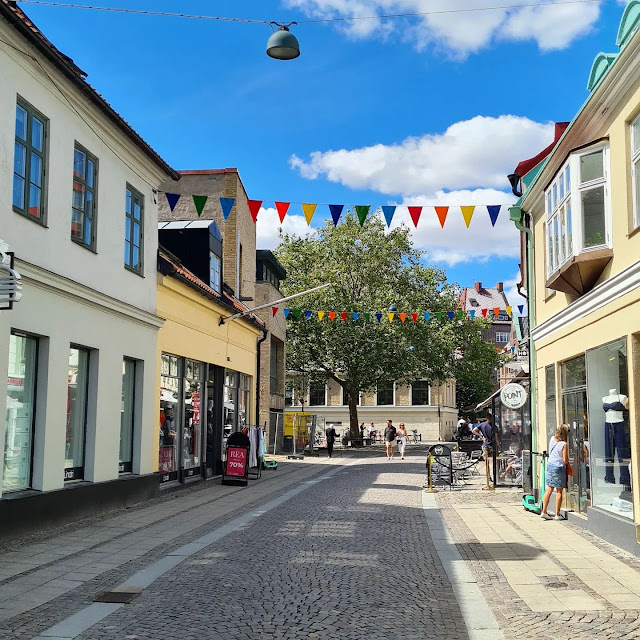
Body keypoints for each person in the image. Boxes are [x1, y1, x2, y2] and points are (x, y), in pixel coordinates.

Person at [541, 424, 572, 521]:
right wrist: (570, 466)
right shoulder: (564, 444)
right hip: (558, 467)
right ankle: (557, 514)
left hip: (550, 465)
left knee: (549, 489)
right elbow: (565, 459)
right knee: (559, 491)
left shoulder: (552, 439)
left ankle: (544, 511)